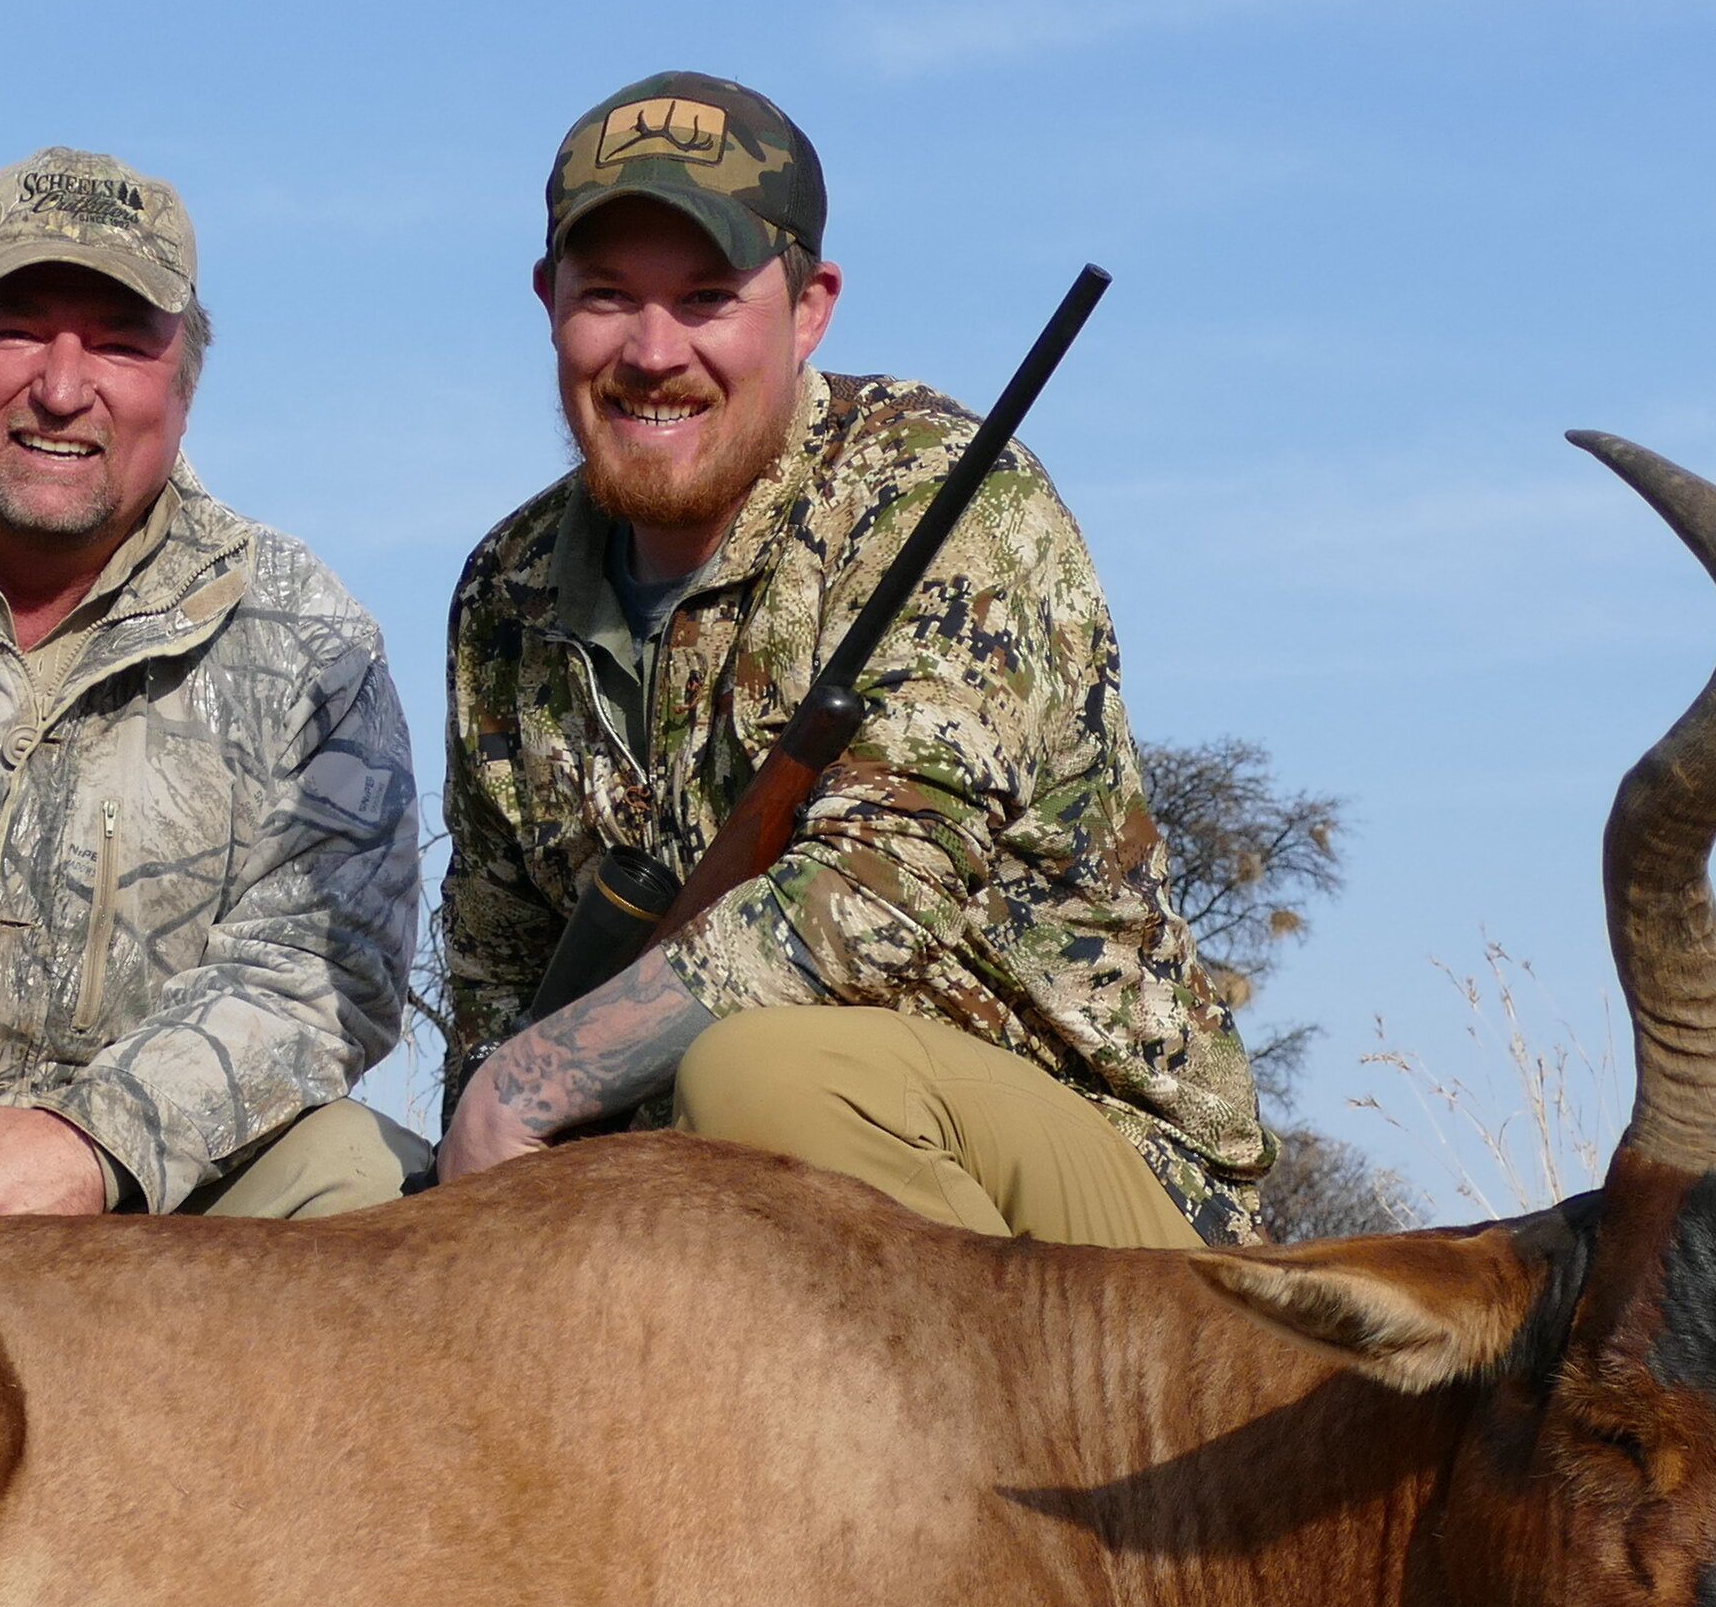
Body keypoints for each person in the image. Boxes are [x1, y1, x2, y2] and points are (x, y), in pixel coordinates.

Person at [433, 71, 1272, 1241]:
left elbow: (881, 891)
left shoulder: (941, 494)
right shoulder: (504, 587)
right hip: (712, 1198)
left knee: (765, 1079)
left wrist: (530, 1088)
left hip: (1100, 1215)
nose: (653, 350)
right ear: (547, 300)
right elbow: (496, 956)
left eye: (709, 298)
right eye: (607, 295)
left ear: (811, 305)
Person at [0, 148, 424, 1222]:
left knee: (366, 1177)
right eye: (18, 329)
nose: (61, 386)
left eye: (116, 343)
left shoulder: (309, 636)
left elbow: (323, 976)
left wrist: (93, 1148)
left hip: (148, 1228)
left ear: (182, 381)